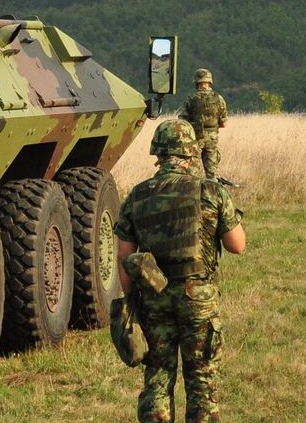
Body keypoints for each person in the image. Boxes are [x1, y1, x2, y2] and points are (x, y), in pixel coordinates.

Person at [114, 120, 246, 423]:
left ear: (158, 154)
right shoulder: (211, 192)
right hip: (198, 300)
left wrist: (132, 303)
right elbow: (237, 245)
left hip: (153, 299)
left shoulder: (137, 196)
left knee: (158, 379)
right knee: (201, 381)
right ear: (191, 153)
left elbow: (124, 256)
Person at [180, 69, 229, 180]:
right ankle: (212, 194)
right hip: (212, 139)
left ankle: (191, 194)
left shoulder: (191, 99)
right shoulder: (219, 99)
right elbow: (224, 123)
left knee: (192, 175)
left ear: (197, 82)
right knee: (212, 175)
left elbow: (183, 122)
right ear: (209, 82)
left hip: (195, 139)